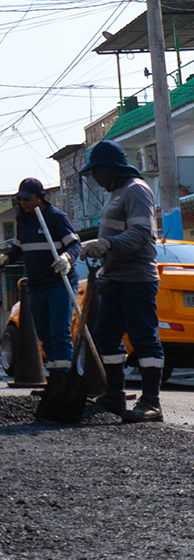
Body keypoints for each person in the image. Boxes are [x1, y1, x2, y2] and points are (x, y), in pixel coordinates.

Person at [79, 139, 164, 422]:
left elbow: (141, 234)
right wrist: (99, 248)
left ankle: (151, 403)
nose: (96, 178)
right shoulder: (115, 194)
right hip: (114, 278)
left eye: (97, 172)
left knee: (143, 338)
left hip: (137, 279)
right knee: (107, 336)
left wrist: (107, 245)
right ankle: (115, 395)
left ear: (109, 168)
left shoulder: (137, 190)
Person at [0, 178, 81, 374]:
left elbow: (74, 245)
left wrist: (66, 258)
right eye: (20, 199)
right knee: (44, 333)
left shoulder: (55, 217)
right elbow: (18, 248)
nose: (23, 203)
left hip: (59, 283)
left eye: (27, 198)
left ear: (39, 198)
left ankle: (64, 378)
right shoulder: (23, 221)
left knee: (59, 333)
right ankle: (55, 372)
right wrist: (5, 259)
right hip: (37, 286)